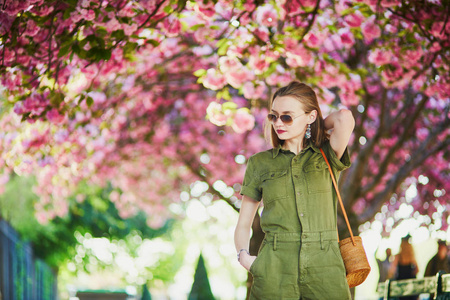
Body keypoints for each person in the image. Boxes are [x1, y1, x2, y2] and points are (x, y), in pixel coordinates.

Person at [234, 81, 355, 299]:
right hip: (275, 267)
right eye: (274, 116)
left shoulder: (327, 155)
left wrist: (316, 126)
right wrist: (246, 258)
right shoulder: (260, 163)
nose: (278, 123)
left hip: (326, 267)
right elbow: (243, 223)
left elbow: (344, 117)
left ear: (310, 116)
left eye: (287, 116)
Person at [389, 235, 419, 300]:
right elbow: (417, 270)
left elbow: (392, 270)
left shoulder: (398, 256)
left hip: (401, 283)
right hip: (411, 283)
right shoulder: (411, 257)